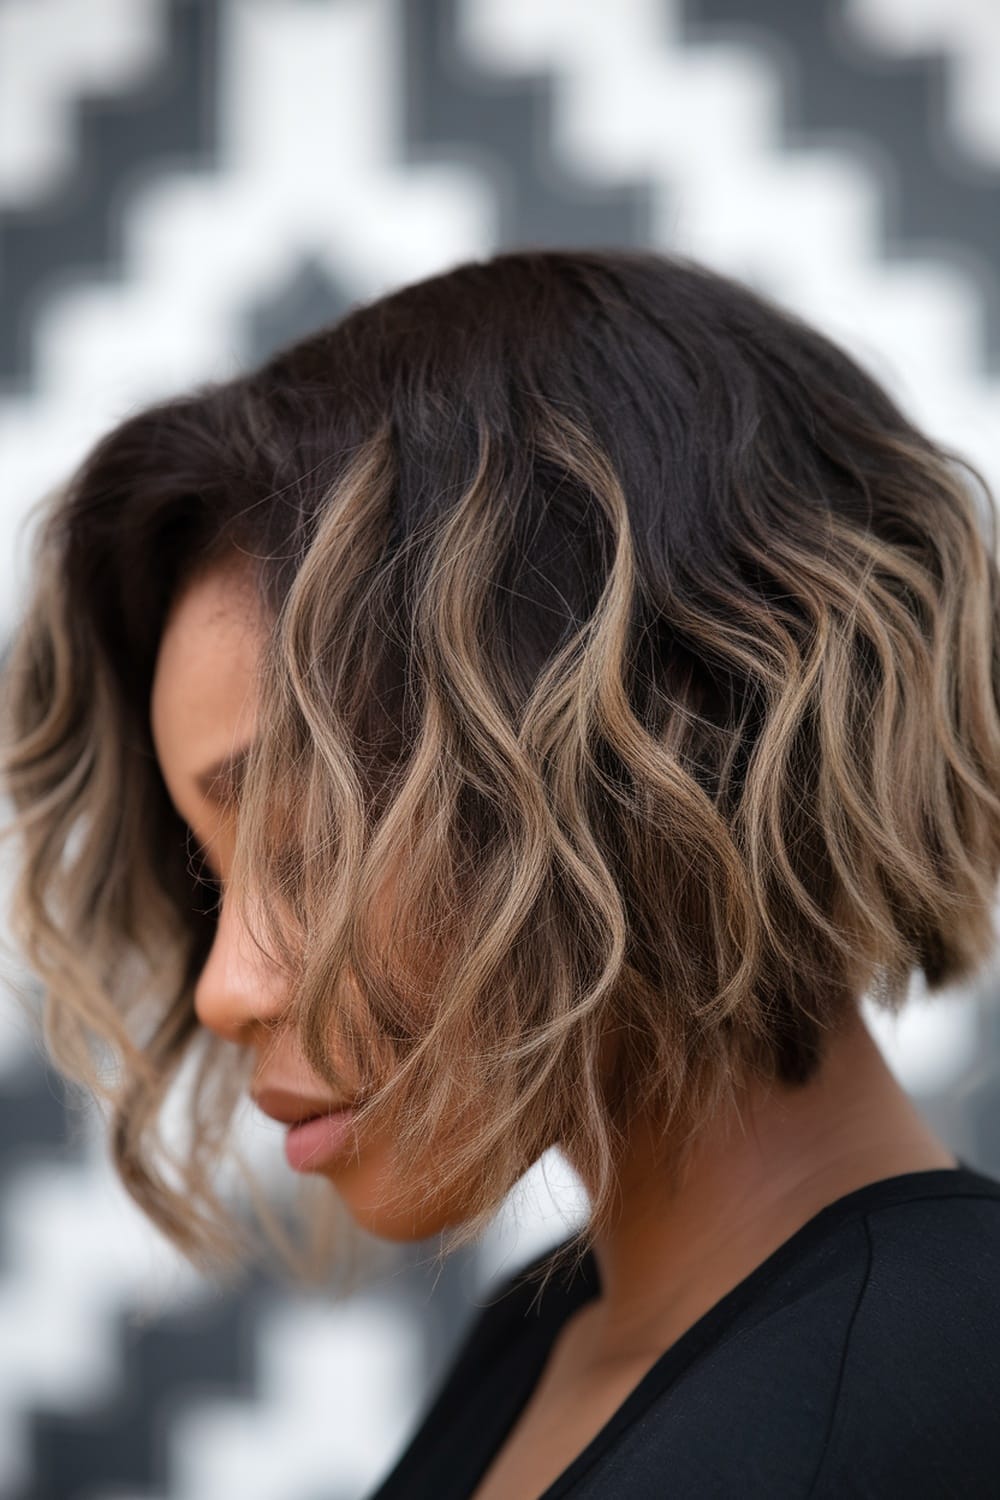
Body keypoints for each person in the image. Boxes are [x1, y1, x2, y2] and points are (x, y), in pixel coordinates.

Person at [3, 248, 1000, 1499]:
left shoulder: (893, 1415)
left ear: (647, 746)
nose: (224, 989)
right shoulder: (559, 1333)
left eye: (307, 847)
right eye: (210, 878)